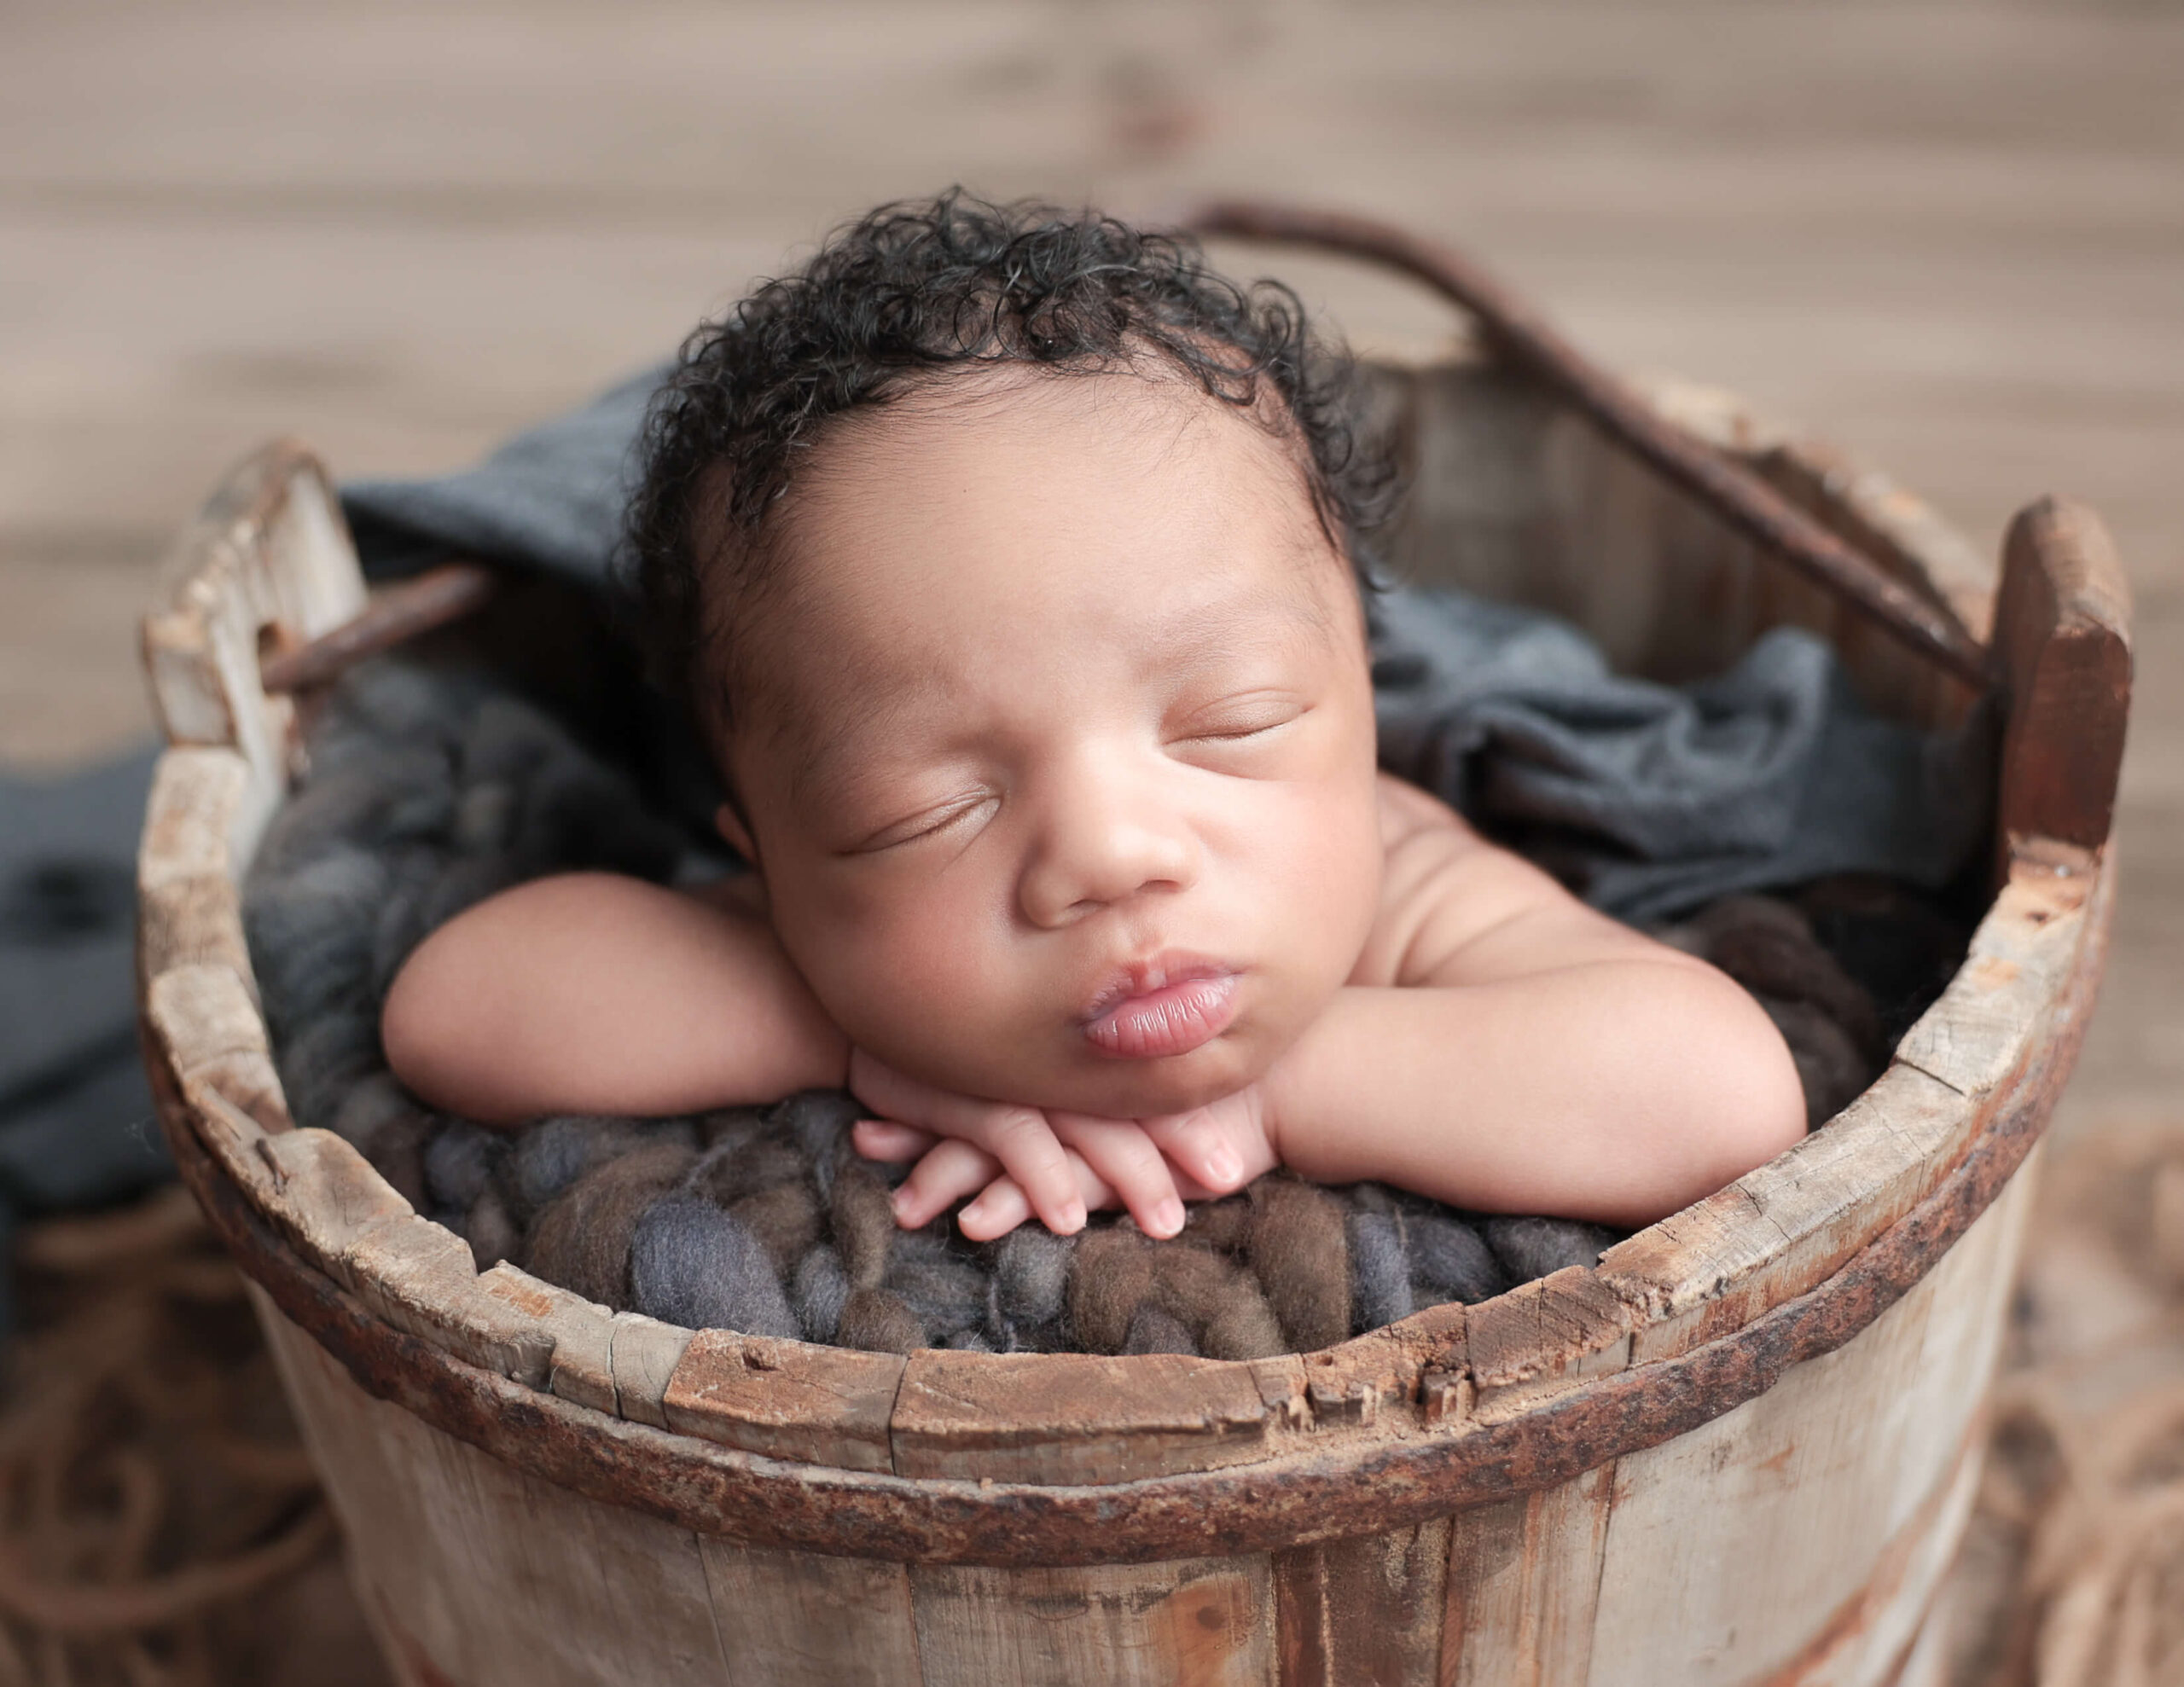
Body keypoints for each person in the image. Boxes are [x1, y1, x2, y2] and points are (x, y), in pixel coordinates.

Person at [381, 192, 1805, 1247]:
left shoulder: (1409, 885)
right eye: (928, 808)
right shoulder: (837, 947)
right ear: (767, 848)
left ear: (1370, 706)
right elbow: (456, 1008)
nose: (1113, 853)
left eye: (1234, 722)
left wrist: (1284, 1091)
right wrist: (860, 1042)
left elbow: (1720, 1087)